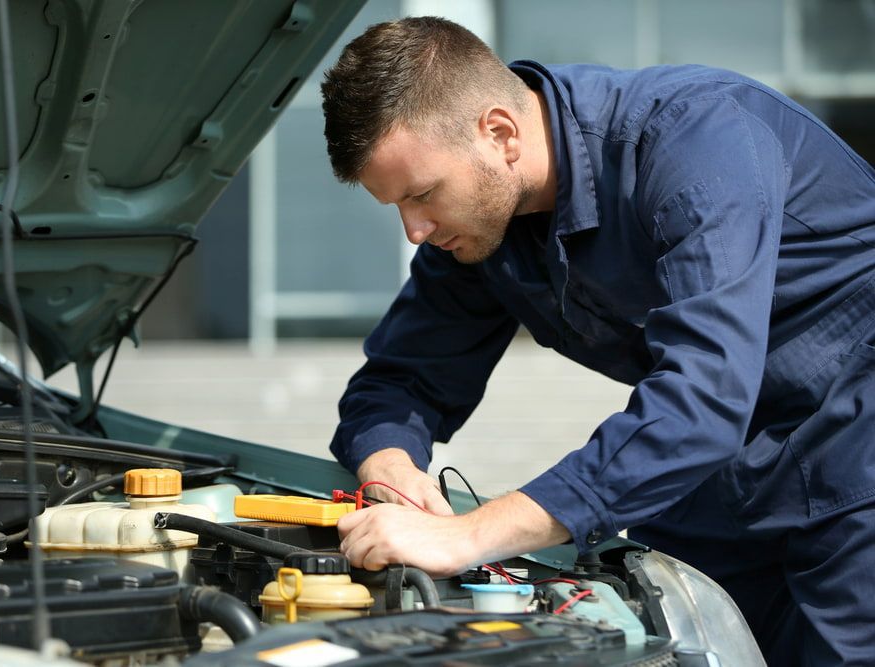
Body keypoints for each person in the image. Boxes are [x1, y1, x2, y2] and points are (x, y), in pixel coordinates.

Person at [319, 16, 875, 666]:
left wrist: (467, 534)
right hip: (720, 475)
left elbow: (703, 399)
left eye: (422, 195)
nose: (414, 230)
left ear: (498, 133)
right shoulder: (479, 227)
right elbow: (401, 378)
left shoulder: (695, 143)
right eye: (396, 207)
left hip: (855, 450)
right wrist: (389, 467)